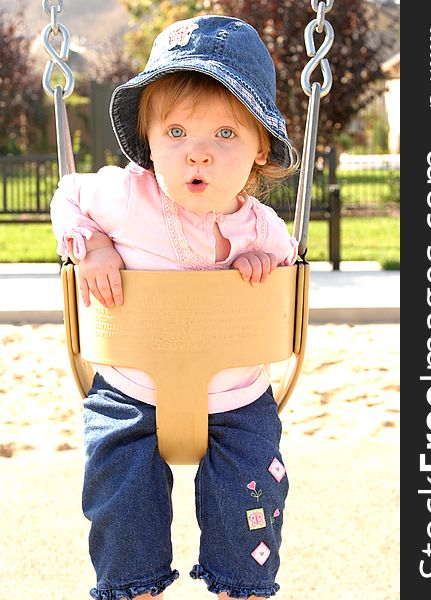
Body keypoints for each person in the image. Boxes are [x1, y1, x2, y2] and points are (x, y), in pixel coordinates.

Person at [51, 15, 298, 600]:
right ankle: (135, 587)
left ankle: (240, 586)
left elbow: (284, 271)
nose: (199, 156)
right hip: (130, 390)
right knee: (118, 497)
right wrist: (96, 246)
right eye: (178, 133)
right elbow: (67, 199)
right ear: (149, 138)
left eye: (226, 136)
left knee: (254, 509)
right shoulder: (122, 194)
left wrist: (258, 267)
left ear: (261, 147)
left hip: (237, 399)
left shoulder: (263, 227)